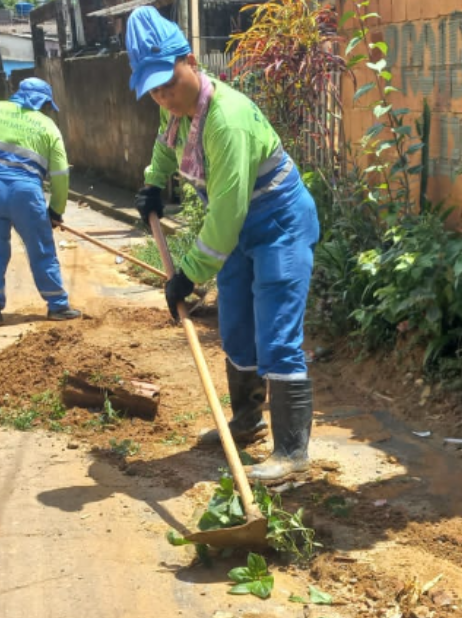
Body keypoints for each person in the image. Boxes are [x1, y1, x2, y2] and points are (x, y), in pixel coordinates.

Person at [126, 7, 319, 481]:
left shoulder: (225, 120)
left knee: (276, 336)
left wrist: (188, 276)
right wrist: (154, 182)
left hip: (278, 219)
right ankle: (247, 420)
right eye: (152, 88)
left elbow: (225, 216)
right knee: (235, 330)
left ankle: (292, 454)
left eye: (168, 82)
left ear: (190, 60)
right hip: (238, 225)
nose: (162, 96)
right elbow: (162, 144)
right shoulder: (175, 109)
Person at [0, 77, 81, 327]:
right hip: (26, 192)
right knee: (41, 249)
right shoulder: (47, 126)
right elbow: (60, 174)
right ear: (44, 102)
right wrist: (55, 210)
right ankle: (57, 305)